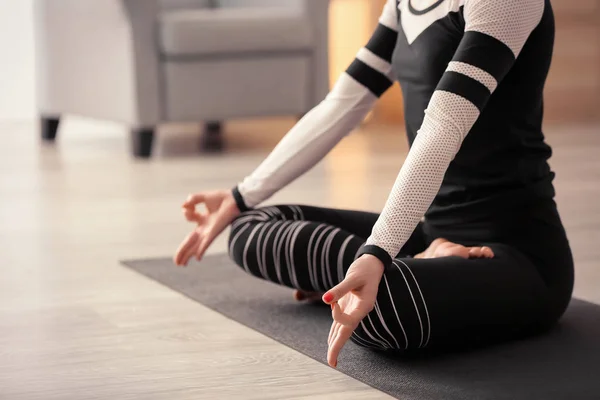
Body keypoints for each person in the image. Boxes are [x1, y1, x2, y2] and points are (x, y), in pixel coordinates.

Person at [174, 0, 574, 369]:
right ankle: (417, 263)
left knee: (384, 311)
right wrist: (241, 195)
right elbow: (343, 104)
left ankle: (390, 273)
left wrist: (378, 251)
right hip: (427, 233)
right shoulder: (403, 3)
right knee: (248, 229)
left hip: (517, 253)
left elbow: (442, 126)